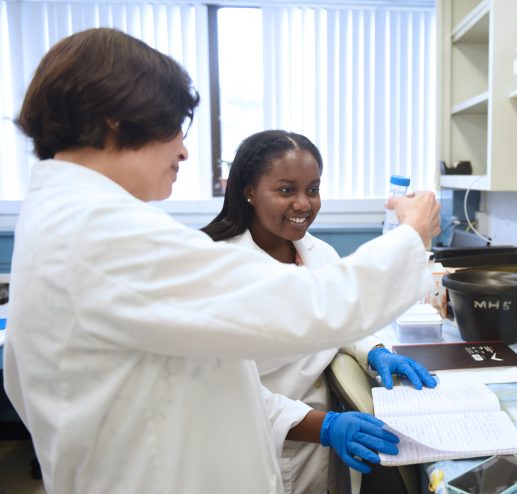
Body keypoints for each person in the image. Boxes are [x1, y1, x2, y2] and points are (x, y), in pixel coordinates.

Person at [3, 28, 440, 494]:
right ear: (115, 120)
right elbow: (311, 304)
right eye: (175, 126)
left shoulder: (63, 217)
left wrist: (371, 347)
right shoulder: (100, 233)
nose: (184, 150)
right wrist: (412, 233)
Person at [202, 129, 438, 493]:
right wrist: (325, 426)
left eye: (312, 189)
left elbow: (339, 315)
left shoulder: (317, 252)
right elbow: (226, 394)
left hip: (318, 457)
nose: (303, 203)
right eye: (286, 190)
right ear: (248, 190)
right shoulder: (221, 269)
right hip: (262, 453)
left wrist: (374, 351)